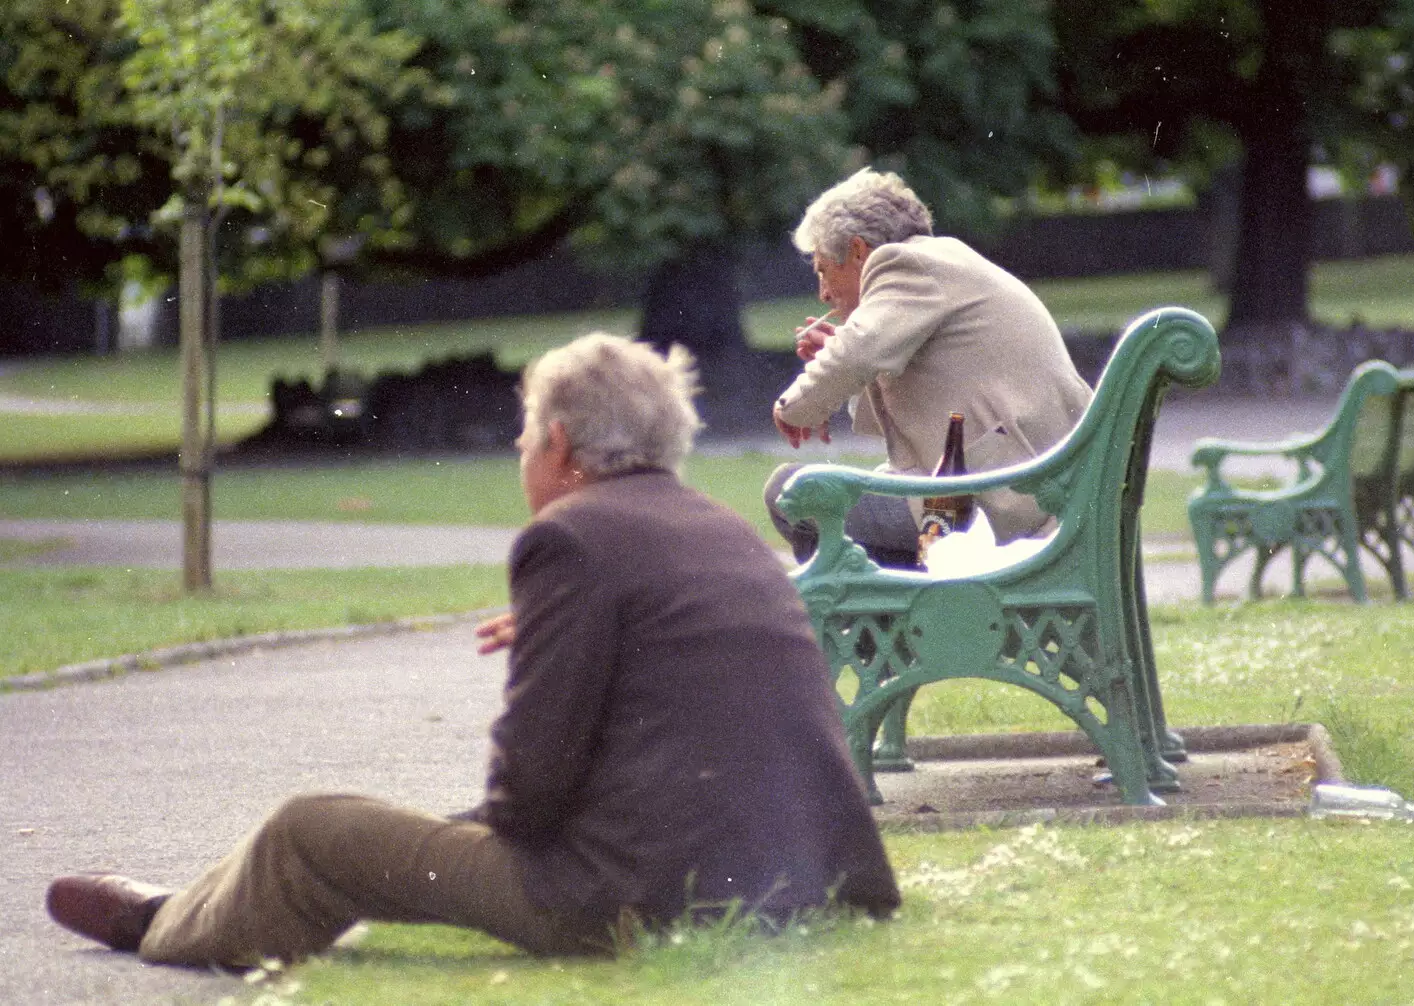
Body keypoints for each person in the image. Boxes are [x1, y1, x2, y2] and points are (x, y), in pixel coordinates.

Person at [45, 333, 899, 968]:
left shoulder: (572, 538)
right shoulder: (717, 531)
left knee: (309, 829)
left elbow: (528, 790)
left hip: (645, 901)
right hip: (807, 879)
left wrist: (501, 825)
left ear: (561, 444)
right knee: (409, 838)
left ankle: (158, 924)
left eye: (527, 438)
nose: (523, 454)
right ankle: (202, 899)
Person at [765, 167, 1094, 568]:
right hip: (1025, 487)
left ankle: (844, 627)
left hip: (995, 501)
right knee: (827, 502)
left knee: (792, 490)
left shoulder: (903, 264)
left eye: (822, 269)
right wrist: (840, 369)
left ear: (856, 251)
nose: (823, 293)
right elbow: (873, 373)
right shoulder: (938, 266)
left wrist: (794, 406)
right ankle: (884, 624)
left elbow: (859, 353)